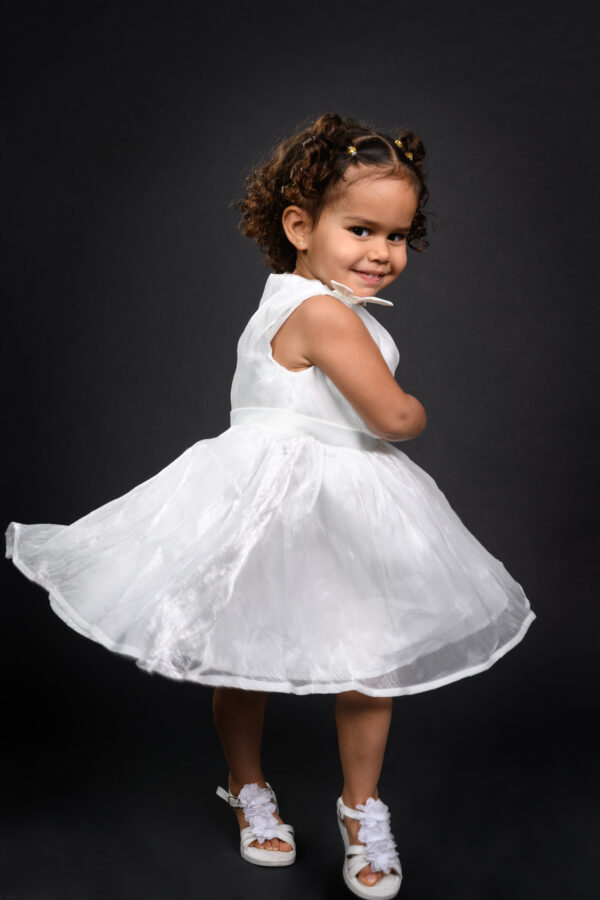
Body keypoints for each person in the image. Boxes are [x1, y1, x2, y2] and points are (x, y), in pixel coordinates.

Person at [5, 112, 536, 899]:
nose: (381, 253)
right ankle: (267, 792)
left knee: (317, 652)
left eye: (397, 237)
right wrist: (417, 411)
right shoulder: (320, 313)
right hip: (280, 504)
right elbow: (391, 418)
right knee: (339, 657)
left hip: (332, 505)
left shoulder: (293, 303)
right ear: (298, 224)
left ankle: (347, 806)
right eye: (360, 229)